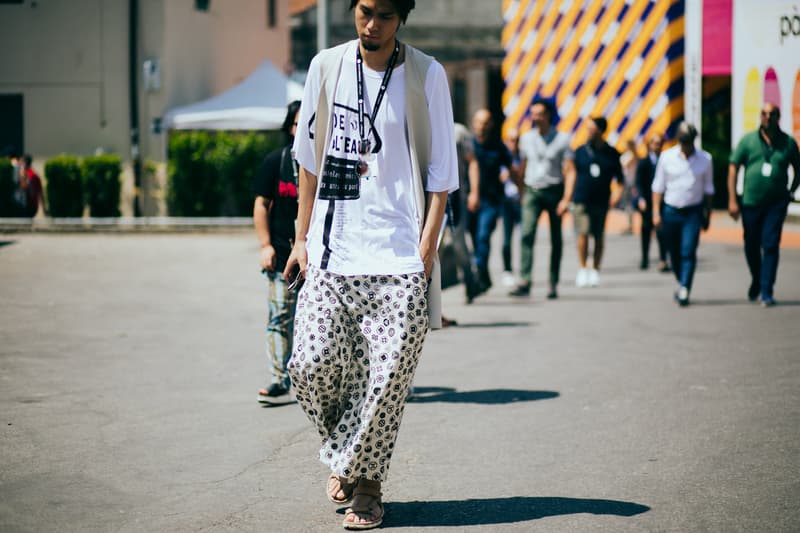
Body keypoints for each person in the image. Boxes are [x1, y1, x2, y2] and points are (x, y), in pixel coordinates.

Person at [285, 0, 458, 528]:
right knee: (308, 367)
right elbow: (310, 161)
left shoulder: (427, 74)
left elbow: (441, 174)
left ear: (401, 16)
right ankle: (348, 452)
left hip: (398, 256)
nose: (372, 25)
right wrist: (300, 239)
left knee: (385, 385)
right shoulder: (326, 67)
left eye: (384, 14)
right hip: (332, 254)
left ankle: (367, 487)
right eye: (364, 11)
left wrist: (424, 254)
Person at [728, 102, 800, 307]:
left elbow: (798, 168)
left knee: (770, 244)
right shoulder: (748, 141)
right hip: (751, 202)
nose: (767, 117)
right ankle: (757, 279)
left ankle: (767, 290)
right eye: (764, 113)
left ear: (779, 117)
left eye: (772, 113)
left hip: (776, 203)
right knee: (751, 245)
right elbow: (733, 167)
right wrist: (733, 199)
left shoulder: (787, 143)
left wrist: (791, 191)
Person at [253, 101, 301, 404]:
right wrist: (265, 245)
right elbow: (260, 204)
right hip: (283, 255)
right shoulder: (276, 162)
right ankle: (278, 379)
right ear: (289, 128)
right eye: (297, 124)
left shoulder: (326, 162)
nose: (303, 130)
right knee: (279, 319)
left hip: (320, 260)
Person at [509, 98, 575, 299]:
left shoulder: (562, 139)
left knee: (556, 238)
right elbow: (521, 165)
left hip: (554, 190)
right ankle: (525, 279)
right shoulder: (527, 138)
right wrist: (521, 190)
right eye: (533, 113)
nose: (535, 117)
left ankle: (553, 282)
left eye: (539, 113)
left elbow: (571, 171)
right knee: (527, 233)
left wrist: (566, 199)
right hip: (532, 191)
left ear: (548, 115)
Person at [652, 122, 714, 306]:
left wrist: (707, 214)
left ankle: (685, 287)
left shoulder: (705, 159)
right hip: (671, 210)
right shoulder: (666, 157)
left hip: (692, 211)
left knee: (688, 250)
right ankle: (681, 280)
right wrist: (656, 212)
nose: (686, 144)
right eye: (683, 140)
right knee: (674, 252)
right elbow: (658, 187)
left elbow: (709, 189)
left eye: (688, 141)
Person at [567, 116, 623, 288]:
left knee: (598, 236)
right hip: (582, 199)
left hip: (601, 200)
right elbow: (571, 173)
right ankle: (583, 268)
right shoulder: (580, 151)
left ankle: (595, 269)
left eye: (591, 129)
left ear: (600, 130)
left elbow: (620, 179)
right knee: (582, 233)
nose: (588, 132)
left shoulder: (611, 153)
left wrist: (617, 195)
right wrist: (567, 197)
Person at [467, 108, 515, 293]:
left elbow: (511, 166)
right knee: (475, 240)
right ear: (474, 123)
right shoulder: (469, 144)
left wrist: (518, 188)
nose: (482, 126)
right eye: (479, 122)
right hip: (470, 200)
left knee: (483, 236)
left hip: (492, 200)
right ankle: (483, 276)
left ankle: (478, 274)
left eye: (486, 122)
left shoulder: (497, 146)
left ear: (491, 125)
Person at [635, 133, 669, 271]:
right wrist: (640, 198)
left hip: (662, 202)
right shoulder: (643, 162)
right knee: (645, 231)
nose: (657, 146)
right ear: (649, 145)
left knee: (662, 232)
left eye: (660, 143)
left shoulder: (665, 161)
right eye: (655, 143)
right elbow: (639, 183)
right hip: (647, 202)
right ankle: (645, 258)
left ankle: (663, 259)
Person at [499, 128, 522, 287]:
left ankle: (524, 271)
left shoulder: (522, 158)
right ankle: (507, 270)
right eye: (511, 140)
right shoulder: (502, 158)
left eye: (516, 140)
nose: (514, 144)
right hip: (506, 202)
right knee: (506, 240)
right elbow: (499, 178)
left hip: (520, 201)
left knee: (524, 238)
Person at [619, 139, 638, 234]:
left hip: (628, 182)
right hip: (628, 182)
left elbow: (625, 165)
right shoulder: (631, 154)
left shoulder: (631, 155)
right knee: (627, 204)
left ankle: (630, 225)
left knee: (628, 204)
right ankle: (629, 224)